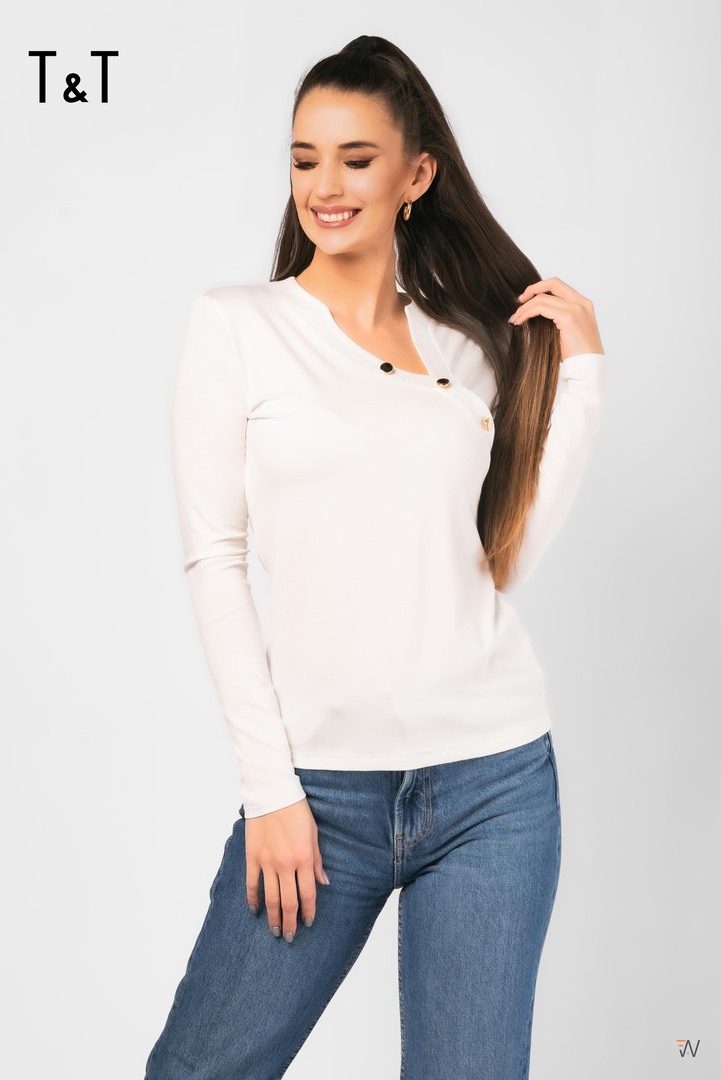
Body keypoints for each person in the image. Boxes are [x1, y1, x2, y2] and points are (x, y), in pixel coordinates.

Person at [144, 33, 607, 1080]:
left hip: (495, 786)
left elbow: (501, 558)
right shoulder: (237, 326)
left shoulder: (464, 347)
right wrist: (270, 792)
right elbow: (215, 561)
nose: (325, 185)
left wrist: (581, 383)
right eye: (304, 158)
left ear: (416, 175)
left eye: (356, 158)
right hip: (320, 796)